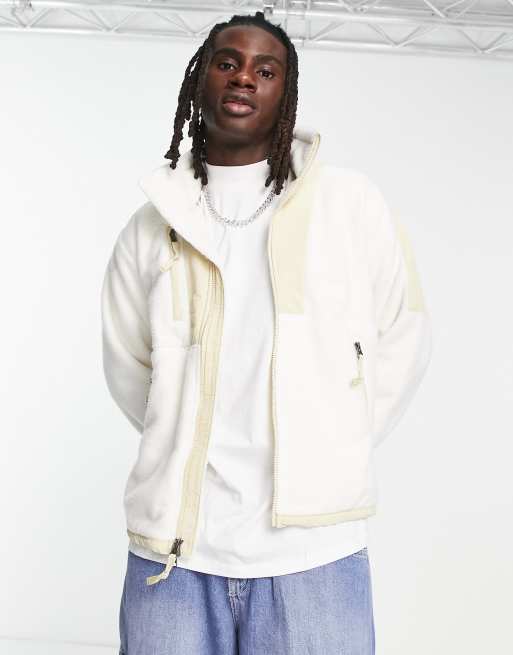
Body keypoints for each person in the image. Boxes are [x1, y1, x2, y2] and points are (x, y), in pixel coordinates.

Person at [101, 10, 432, 655]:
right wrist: (179, 432)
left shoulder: (349, 205)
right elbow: (128, 365)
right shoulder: (152, 226)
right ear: (200, 78)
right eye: (227, 63)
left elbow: (404, 333)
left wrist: (334, 439)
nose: (244, 78)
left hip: (314, 554)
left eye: (266, 69)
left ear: (287, 91)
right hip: (175, 552)